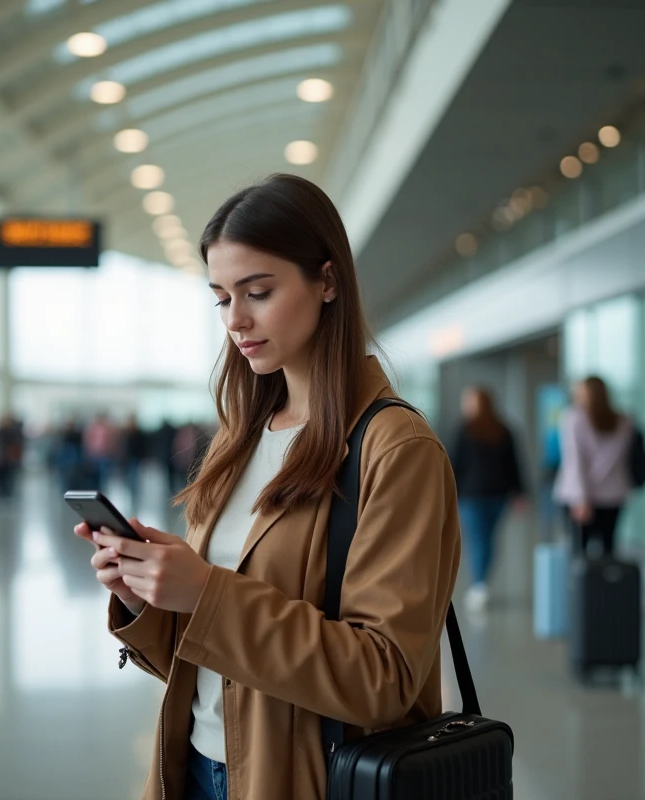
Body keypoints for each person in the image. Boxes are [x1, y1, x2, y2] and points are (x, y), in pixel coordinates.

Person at [73, 174, 461, 800]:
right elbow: (213, 651)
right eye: (221, 298)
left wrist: (206, 593)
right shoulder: (240, 436)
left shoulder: (396, 449)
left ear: (328, 282)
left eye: (258, 291)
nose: (237, 319)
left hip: (304, 778)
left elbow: (386, 679)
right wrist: (150, 595)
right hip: (197, 765)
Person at [449, 386, 524, 613]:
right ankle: (481, 583)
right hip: (490, 495)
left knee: (482, 539)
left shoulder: (467, 430)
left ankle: (480, 583)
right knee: (484, 539)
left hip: (477, 495)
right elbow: (514, 466)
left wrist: (520, 492)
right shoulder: (502, 430)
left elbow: (454, 465)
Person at [553, 376, 635, 557]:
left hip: (581, 497)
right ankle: (606, 585)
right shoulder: (624, 421)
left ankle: (584, 587)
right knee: (608, 549)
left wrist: (580, 498)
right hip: (613, 494)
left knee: (579, 554)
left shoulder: (574, 419)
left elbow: (574, 461)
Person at [120, 414, 149, 512]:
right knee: (129, 480)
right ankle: (131, 496)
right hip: (128, 461)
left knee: (135, 479)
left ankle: (135, 496)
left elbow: (143, 447)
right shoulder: (126, 434)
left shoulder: (139, 434)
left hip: (136, 460)